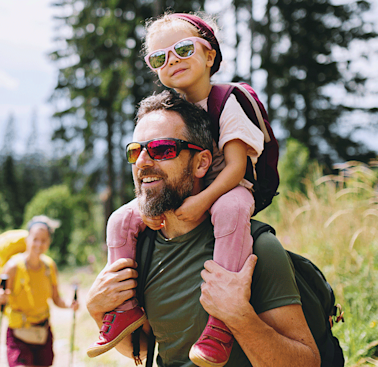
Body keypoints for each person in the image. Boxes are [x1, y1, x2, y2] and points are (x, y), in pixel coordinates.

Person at [86, 90, 321, 367]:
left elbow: (308, 362)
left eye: (162, 149)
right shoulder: (143, 248)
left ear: (201, 163)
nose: (143, 162)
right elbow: (143, 349)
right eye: (136, 151)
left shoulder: (258, 249)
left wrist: (238, 317)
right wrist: (97, 310)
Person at [88, 12, 265, 367]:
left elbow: (236, 167)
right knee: (121, 220)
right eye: (159, 57)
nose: (172, 61)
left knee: (230, 211)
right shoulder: (175, 109)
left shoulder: (228, 101)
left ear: (210, 55)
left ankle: (220, 322)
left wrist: (201, 201)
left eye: (183, 49)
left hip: (230, 188)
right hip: (193, 192)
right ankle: (123, 308)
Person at [0, 215, 79, 367]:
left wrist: (70, 304)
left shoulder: (50, 267)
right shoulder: (13, 267)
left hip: (43, 334)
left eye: (44, 240)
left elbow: (56, 299)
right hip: (18, 335)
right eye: (35, 239)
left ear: (49, 242)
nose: (39, 244)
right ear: (27, 239)